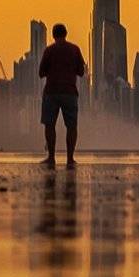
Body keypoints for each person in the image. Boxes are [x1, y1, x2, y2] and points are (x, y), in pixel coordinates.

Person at [36, 22, 87, 170]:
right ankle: (70, 158)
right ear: (66, 33)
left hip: (51, 92)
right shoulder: (75, 49)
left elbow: (41, 73)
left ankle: (51, 157)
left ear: (53, 35)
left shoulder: (49, 51)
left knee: (49, 125)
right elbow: (81, 72)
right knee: (71, 126)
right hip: (70, 92)